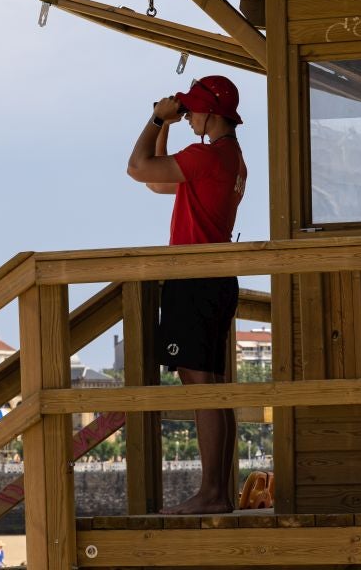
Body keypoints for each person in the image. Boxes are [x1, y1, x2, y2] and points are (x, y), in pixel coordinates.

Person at [126, 75, 247, 514]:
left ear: (212, 114)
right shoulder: (230, 158)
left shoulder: (206, 156)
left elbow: (137, 168)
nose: (188, 113)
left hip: (194, 277)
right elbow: (158, 182)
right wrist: (169, 126)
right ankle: (218, 491)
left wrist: (157, 116)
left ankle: (211, 493)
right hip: (217, 278)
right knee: (211, 386)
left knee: (199, 385)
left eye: (193, 109)